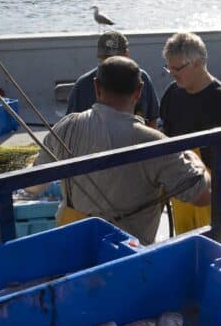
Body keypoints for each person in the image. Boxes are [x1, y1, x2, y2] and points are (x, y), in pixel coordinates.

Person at [33, 56, 210, 245]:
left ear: (97, 87)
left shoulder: (66, 126)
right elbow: (202, 196)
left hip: (72, 247)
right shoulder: (156, 144)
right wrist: (195, 160)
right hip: (127, 258)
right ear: (139, 91)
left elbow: (33, 185)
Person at [159, 32, 221, 245]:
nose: (172, 74)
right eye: (168, 68)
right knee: (184, 248)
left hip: (214, 191)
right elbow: (167, 142)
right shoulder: (172, 94)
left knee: (216, 250)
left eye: (177, 69)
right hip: (181, 188)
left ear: (198, 63)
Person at [67, 30, 160, 128]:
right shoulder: (83, 85)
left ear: (127, 54)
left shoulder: (142, 78)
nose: (111, 63)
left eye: (116, 58)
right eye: (106, 58)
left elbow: (152, 119)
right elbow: (72, 126)